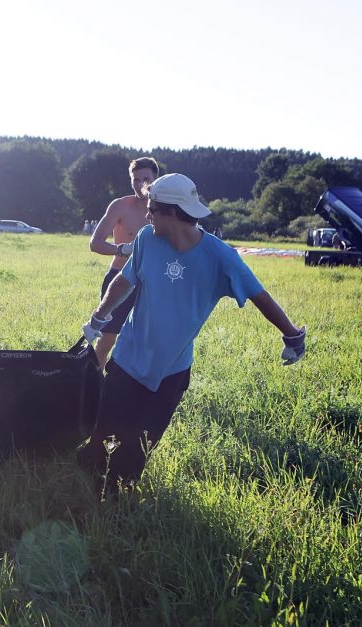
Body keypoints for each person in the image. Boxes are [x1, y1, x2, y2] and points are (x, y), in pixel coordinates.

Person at [78, 173, 306, 496]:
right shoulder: (146, 239)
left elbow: (259, 296)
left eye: (152, 209)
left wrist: (292, 335)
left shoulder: (219, 257)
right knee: (105, 431)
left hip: (169, 372)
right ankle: (87, 472)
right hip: (127, 358)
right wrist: (99, 315)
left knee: (137, 448)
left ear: (171, 212)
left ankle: (116, 500)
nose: (147, 215)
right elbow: (124, 280)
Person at [88, 156, 160, 367]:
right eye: (135, 179)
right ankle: (94, 381)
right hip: (120, 278)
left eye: (145, 179)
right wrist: (122, 249)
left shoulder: (166, 209)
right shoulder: (120, 206)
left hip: (152, 282)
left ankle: (134, 384)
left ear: (156, 178)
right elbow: (95, 243)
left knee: (146, 339)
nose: (140, 185)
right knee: (107, 338)